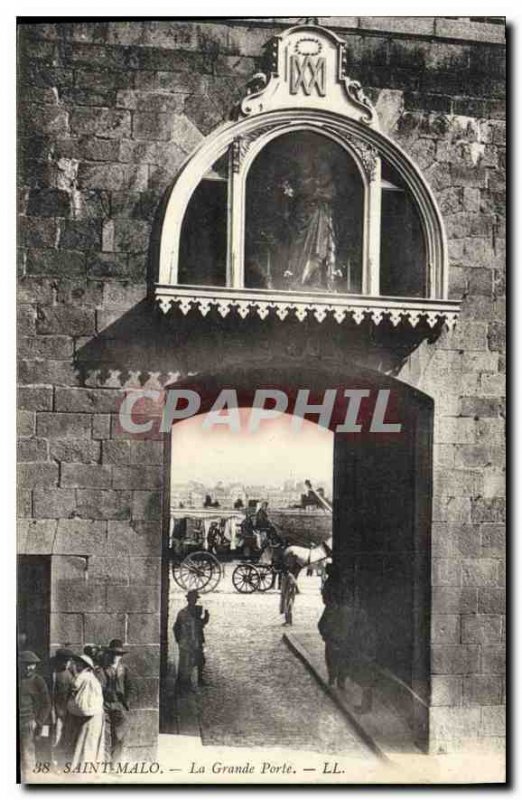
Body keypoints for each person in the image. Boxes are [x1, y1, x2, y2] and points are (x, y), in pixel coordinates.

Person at [61, 654, 105, 768]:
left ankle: (82, 769)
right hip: (95, 713)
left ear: (85, 666)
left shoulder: (83, 676)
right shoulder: (92, 677)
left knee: (83, 741)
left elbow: (74, 685)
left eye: (79, 663)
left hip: (87, 713)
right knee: (91, 741)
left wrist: (74, 672)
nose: (76, 665)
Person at [98, 639, 136, 762]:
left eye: (118, 654)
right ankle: (103, 762)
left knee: (119, 737)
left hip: (119, 706)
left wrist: (126, 703)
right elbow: (100, 687)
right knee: (104, 736)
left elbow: (131, 687)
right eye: (113, 654)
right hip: (105, 706)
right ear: (109, 654)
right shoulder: (103, 670)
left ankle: (115, 764)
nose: (116, 657)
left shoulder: (124, 670)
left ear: (121, 656)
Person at [18, 651, 51, 778]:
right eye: (25, 664)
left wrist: (38, 721)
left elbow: (46, 704)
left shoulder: (38, 681)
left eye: (32, 664)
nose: (28, 667)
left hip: (28, 722)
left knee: (27, 755)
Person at [173, 590, 210, 691]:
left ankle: (199, 679)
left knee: (200, 660)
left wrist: (206, 619)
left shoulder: (196, 612)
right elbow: (176, 628)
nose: (193, 601)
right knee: (185, 664)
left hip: (196, 641)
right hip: (186, 642)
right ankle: (184, 684)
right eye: (192, 599)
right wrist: (180, 640)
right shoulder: (183, 613)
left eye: (195, 599)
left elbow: (199, 625)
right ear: (188, 600)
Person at [50, 647, 74, 764]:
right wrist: (53, 711)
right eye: (64, 661)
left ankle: (62, 762)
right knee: (55, 737)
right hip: (55, 711)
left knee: (64, 737)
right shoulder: (53, 674)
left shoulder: (69, 674)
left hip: (66, 712)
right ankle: (55, 762)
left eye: (68, 661)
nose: (67, 664)